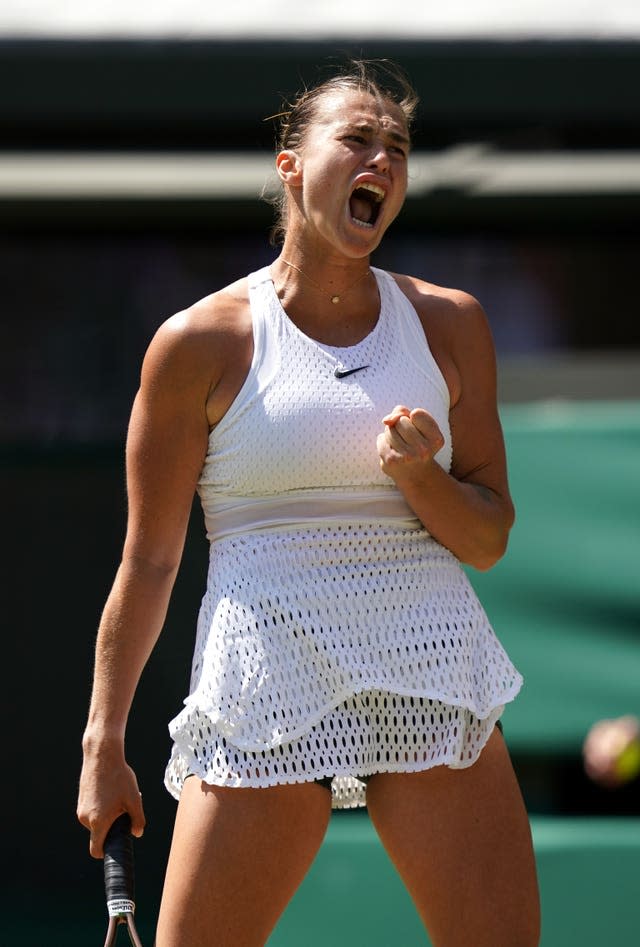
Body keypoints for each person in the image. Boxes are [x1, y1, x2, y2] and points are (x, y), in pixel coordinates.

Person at [77, 59, 540, 947]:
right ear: (291, 165)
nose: (383, 161)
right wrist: (104, 738)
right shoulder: (197, 342)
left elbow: (487, 537)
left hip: (428, 664)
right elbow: (151, 560)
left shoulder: (450, 324)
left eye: (397, 148)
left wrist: (421, 480)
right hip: (267, 677)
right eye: (358, 139)